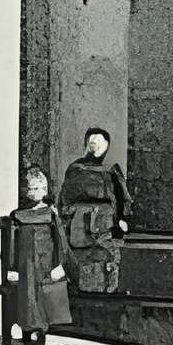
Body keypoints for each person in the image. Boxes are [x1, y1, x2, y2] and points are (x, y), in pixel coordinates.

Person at [0, 166, 73, 345]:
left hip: (45, 267)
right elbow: (11, 245)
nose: (35, 192)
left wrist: (59, 264)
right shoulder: (17, 216)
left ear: (45, 190)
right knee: (24, 305)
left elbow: (60, 241)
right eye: (30, 188)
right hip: (24, 269)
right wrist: (11, 268)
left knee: (43, 306)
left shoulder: (50, 214)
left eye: (39, 188)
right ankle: (24, 344)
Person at [58, 127, 135, 298]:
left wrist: (122, 219)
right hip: (79, 230)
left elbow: (122, 198)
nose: (96, 146)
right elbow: (65, 200)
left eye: (101, 142)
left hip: (106, 231)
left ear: (107, 145)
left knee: (106, 271)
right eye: (93, 142)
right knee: (82, 272)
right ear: (87, 144)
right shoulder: (76, 169)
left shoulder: (112, 170)